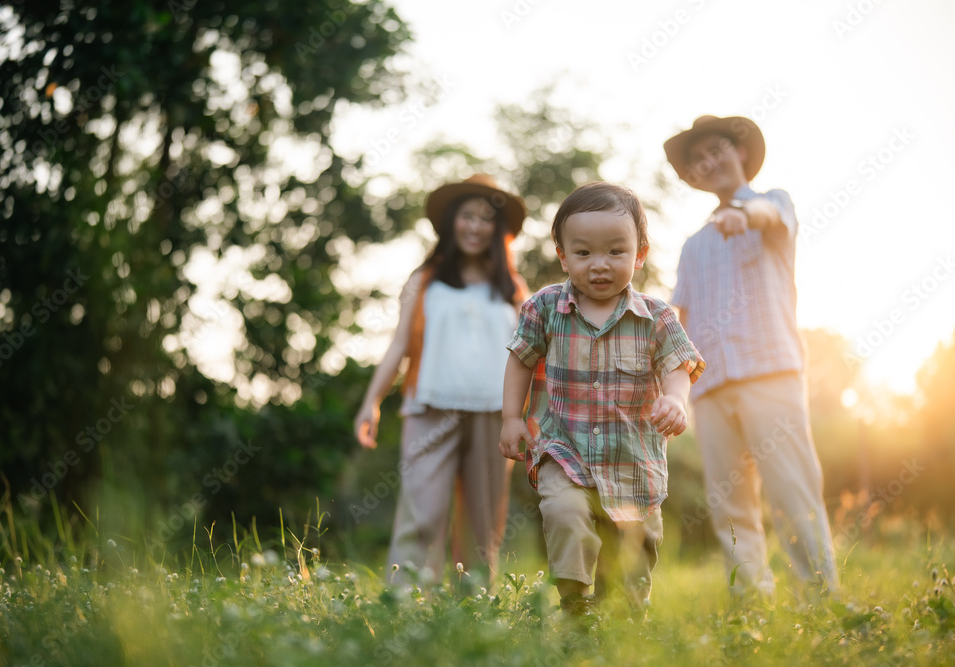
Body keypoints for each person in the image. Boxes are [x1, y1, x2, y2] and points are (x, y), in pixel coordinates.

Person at [499, 182, 705, 615]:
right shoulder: (546, 308)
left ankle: (622, 615)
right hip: (565, 449)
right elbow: (520, 359)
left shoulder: (657, 317)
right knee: (564, 512)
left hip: (632, 460)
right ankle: (574, 605)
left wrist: (675, 399)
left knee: (631, 554)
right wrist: (511, 419)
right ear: (563, 256)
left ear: (640, 254)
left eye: (615, 252)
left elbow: (677, 366)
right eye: (583, 253)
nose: (600, 265)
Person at [664, 115, 839, 599]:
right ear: (692, 177)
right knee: (730, 506)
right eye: (698, 159)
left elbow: (767, 217)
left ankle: (822, 603)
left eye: (716, 148)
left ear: (740, 151)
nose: (708, 161)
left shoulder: (773, 203)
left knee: (793, 492)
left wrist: (744, 212)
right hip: (710, 387)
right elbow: (679, 318)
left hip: (770, 373)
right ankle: (750, 607)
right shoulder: (691, 245)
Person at [355, 174, 528, 588]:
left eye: (486, 219)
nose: (475, 226)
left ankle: (474, 610)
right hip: (431, 408)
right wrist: (371, 402)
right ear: (452, 222)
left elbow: (528, 356)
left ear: (498, 230)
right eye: (467, 216)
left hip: (493, 414)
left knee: (483, 523)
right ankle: (405, 605)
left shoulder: (513, 290)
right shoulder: (424, 281)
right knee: (422, 513)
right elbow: (399, 347)